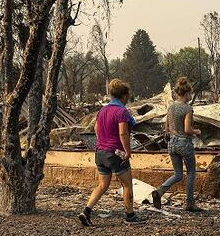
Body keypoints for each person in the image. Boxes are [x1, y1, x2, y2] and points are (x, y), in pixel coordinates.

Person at [79, 78, 141, 226]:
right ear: (124, 96)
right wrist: (127, 151)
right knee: (127, 184)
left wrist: (103, 142)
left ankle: (86, 211)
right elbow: (123, 133)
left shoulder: (102, 111)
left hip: (100, 152)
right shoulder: (121, 112)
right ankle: (130, 216)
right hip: (115, 152)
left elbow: (95, 129)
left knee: (102, 185)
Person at [151, 76, 203, 212]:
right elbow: (187, 130)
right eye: (190, 94)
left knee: (178, 174)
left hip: (171, 144)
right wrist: (196, 131)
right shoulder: (188, 109)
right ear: (186, 94)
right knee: (191, 172)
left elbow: (167, 128)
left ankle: (160, 191)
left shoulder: (171, 108)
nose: (190, 96)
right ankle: (190, 203)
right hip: (184, 143)